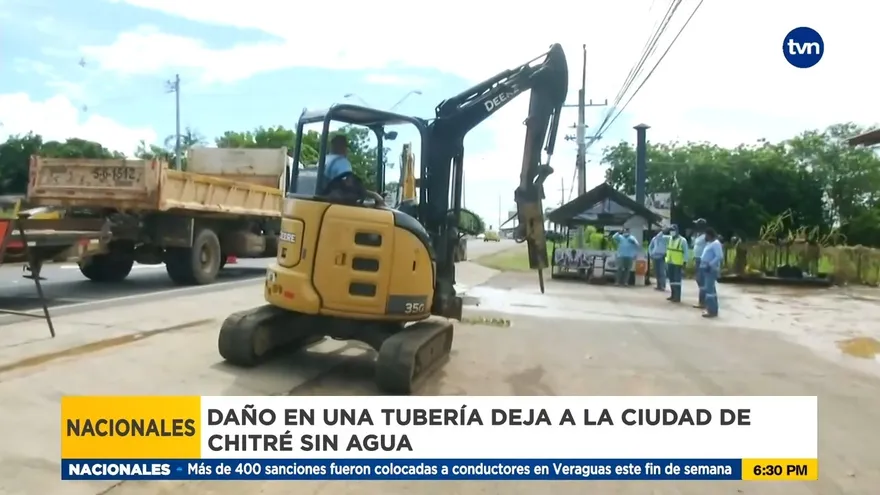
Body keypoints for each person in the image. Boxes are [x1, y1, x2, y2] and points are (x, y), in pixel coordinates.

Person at [699, 227, 723, 318]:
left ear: (709, 235)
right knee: (709, 289)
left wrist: (710, 264)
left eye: (706, 235)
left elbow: (719, 256)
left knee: (710, 291)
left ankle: (712, 310)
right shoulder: (709, 243)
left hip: (710, 269)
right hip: (705, 268)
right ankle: (711, 308)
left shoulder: (716, 244)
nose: (705, 237)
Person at [665, 225, 690, 303]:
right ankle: (673, 295)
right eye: (671, 230)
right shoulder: (669, 238)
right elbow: (659, 237)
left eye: (673, 230)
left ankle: (677, 296)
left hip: (678, 263)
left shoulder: (682, 240)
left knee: (677, 280)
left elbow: (686, 252)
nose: (672, 232)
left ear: (677, 231)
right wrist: (664, 230)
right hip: (670, 261)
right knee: (671, 279)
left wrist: (685, 262)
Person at [691, 218, 708, 309]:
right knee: (699, 280)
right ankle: (703, 300)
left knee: (701, 280)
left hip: (702, 260)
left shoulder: (705, 236)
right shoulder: (698, 235)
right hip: (697, 259)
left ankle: (703, 302)